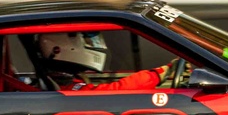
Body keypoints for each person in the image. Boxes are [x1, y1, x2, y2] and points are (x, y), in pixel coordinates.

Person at [36, 32, 172, 91]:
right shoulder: (67, 89)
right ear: (58, 48)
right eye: (88, 41)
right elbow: (117, 91)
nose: (95, 45)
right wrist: (156, 74)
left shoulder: (65, 80)